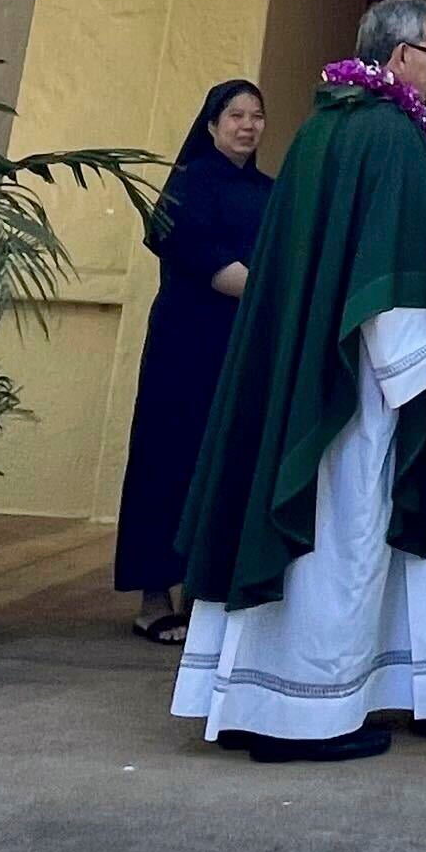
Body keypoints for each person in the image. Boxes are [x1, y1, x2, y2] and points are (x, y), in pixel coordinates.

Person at [166, 0, 426, 763]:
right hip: (354, 381)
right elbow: (388, 270)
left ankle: (248, 698)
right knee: (343, 537)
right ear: (402, 58)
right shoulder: (393, 137)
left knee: (307, 529)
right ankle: (305, 717)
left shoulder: (322, 129)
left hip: (300, 365)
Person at [114, 81, 274, 642]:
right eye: (236, 115)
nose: (248, 126)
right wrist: (273, 297)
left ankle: (206, 593)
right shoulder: (188, 184)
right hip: (186, 346)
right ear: (210, 124)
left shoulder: (269, 190)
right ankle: (154, 597)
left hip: (242, 344)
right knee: (169, 458)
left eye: (257, 116)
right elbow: (201, 258)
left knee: (226, 460)